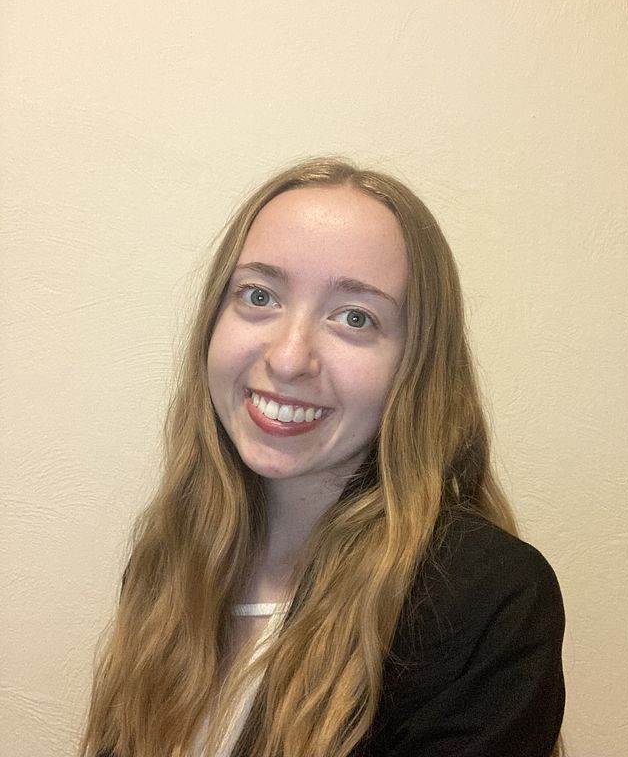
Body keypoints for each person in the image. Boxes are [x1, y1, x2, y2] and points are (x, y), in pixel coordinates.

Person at [81, 158, 565, 757]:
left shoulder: (484, 599)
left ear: (415, 367)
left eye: (355, 318)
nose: (288, 358)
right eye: (259, 295)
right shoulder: (171, 559)